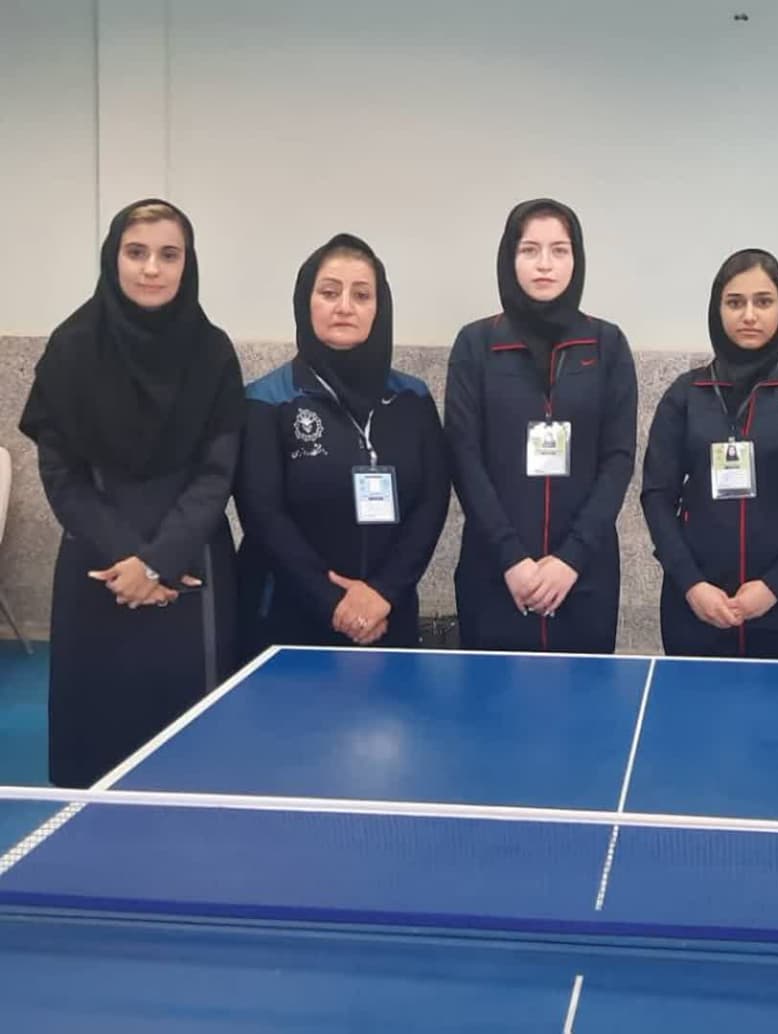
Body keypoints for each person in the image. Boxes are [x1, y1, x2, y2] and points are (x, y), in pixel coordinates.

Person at [19, 198, 244, 787]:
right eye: (136, 252)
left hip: (189, 563)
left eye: (169, 255)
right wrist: (129, 560)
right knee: (97, 748)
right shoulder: (71, 348)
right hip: (100, 565)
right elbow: (61, 474)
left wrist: (159, 561)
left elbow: (217, 471)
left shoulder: (212, 352)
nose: (151, 268)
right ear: (112, 258)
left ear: (187, 264)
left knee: (192, 756)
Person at [235, 234, 449, 655]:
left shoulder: (413, 398)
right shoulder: (266, 400)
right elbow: (263, 515)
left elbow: (432, 501)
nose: (345, 307)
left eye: (362, 295)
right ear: (305, 302)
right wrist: (335, 603)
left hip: (390, 615)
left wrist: (384, 593)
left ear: (379, 308)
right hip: (288, 619)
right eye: (330, 293)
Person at [445, 199, 637, 652]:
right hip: (496, 574)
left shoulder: (607, 344)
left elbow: (618, 460)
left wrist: (570, 559)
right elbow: (464, 457)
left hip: (583, 576)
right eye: (529, 250)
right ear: (509, 258)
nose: (545, 264)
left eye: (559, 250)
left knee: (585, 695)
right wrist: (511, 558)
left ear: (577, 259)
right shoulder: (476, 344)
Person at [641, 248, 778, 659]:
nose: (749, 315)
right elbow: (657, 495)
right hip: (699, 609)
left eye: (764, 302)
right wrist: (691, 584)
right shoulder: (686, 394)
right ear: (716, 310)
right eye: (735, 303)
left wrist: (775, 586)